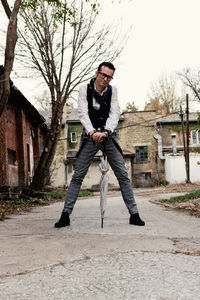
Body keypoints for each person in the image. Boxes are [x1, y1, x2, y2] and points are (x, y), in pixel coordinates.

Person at [55, 62, 145, 228]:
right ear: (97, 73)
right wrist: (91, 132)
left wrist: (107, 131)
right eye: (103, 75)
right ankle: (65, 215)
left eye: (109, 77)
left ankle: (134, 214)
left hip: (108, 135)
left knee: (123, 175)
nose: (105, 79)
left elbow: (115, 112)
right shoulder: (84, 90)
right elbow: (82, 112)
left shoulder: (113, 91)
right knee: (77, 176)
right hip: (90, 136)